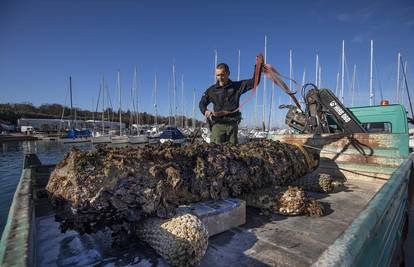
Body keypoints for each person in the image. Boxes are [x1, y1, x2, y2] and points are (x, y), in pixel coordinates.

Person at [199, 54, 264, 145]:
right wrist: (205, 111)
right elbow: (202, 103)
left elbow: (254, 82)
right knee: (216, 153)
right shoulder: (211, 90)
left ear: (228, 73)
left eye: (222, 75)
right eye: (218, 75)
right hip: (218, 126)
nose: (220, 78)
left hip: (233, 125)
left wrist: (258, 66)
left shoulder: (237, 86)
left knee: (233, 154)